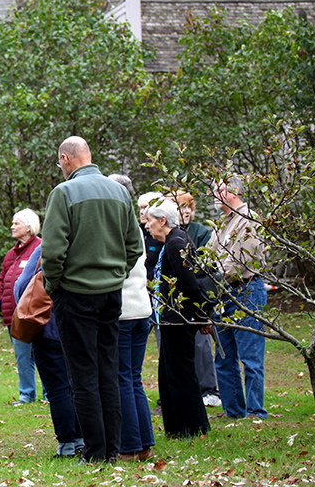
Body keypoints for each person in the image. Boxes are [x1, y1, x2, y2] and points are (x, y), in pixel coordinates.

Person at [41, 137, 143, 463]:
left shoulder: (64, 193)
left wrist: (54, 286)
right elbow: (134, 247)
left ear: (65, 158)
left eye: (60, 162)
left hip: (75, 294)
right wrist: (115, 275)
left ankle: (97, 452)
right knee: (108, 371)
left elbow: (53, 251)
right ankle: (112, 448)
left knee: (83, 375)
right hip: (111, 294)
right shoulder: (120, 192)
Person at [145, 199, 211, 438]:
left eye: (150, 220)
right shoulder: (171, 241)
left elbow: (189, 283)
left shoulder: (176, 242)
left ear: (163, 220)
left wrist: (202, 317)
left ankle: (191, 427)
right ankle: (175, 427)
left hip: (179, 318)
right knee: (168, 373)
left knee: (181, 373)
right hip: (169, 317)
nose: (147, 226)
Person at [15, 245, 84, 459]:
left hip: (49, 327)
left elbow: (21, 286)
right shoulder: (87, 247)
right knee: (79, 386)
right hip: (80, 327)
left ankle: (67, 444)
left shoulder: (46, 248)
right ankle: (83, 439)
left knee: (57, 389)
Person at [209, 176, 268, 420]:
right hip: (223, 294)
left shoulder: (249, 220)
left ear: (233, 191)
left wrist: (212, 275)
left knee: (250, 356)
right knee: (223, 356)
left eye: (218, 190)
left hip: (246, 291)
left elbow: (240, 261)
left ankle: (255, 411)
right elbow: (209, 254)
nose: (213, 195)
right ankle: (233, 410)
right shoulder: (223, 223)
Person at [108, 175, 156, 461]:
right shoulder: (136, 228)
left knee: (122, 379)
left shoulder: (117, 226)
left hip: (125, 311)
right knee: (133, 379)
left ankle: (129, 445)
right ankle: (144, 443)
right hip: (142, 308)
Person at [166, 190, 221, 408]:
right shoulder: (166, 234)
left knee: (202, 345)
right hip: (174, 303)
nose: (186, 211)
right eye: (181, 207)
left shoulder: (199, 232)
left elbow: (204, 266)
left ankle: (209, 388)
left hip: (195, 297)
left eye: (189, 207)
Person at [0, 208, 42, 406]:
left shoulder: (40, 248)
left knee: (43, 354)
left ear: (29, 227)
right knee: (22, 356)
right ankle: (27, 394)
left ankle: (50, 394)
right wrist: (1, 301)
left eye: (16, 223)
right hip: (14, 314)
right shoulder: (11, 254)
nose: (12, 227)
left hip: (37, 313)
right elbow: (2, 279)